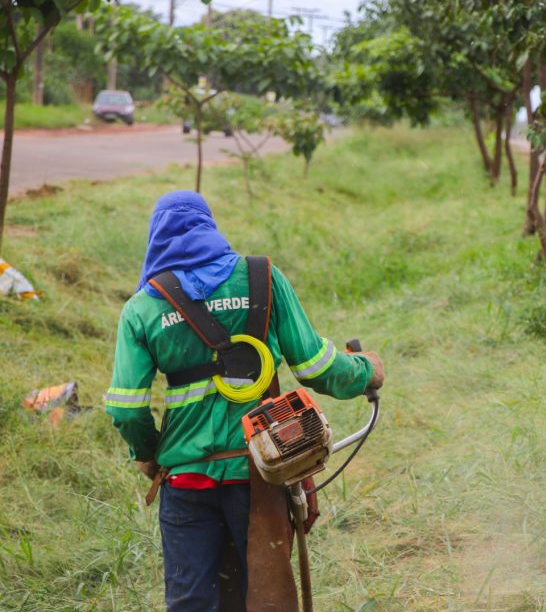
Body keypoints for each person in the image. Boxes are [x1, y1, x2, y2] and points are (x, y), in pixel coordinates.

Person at [104, 190, 383, 611]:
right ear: (209, 228)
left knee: (191, 602)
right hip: (262, 473)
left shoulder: (142, 309)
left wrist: (150, 453)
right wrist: (367, 370)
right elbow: (318, 369)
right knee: (265, 596)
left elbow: (125, 409)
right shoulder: (263, 278)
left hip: (185, 480)